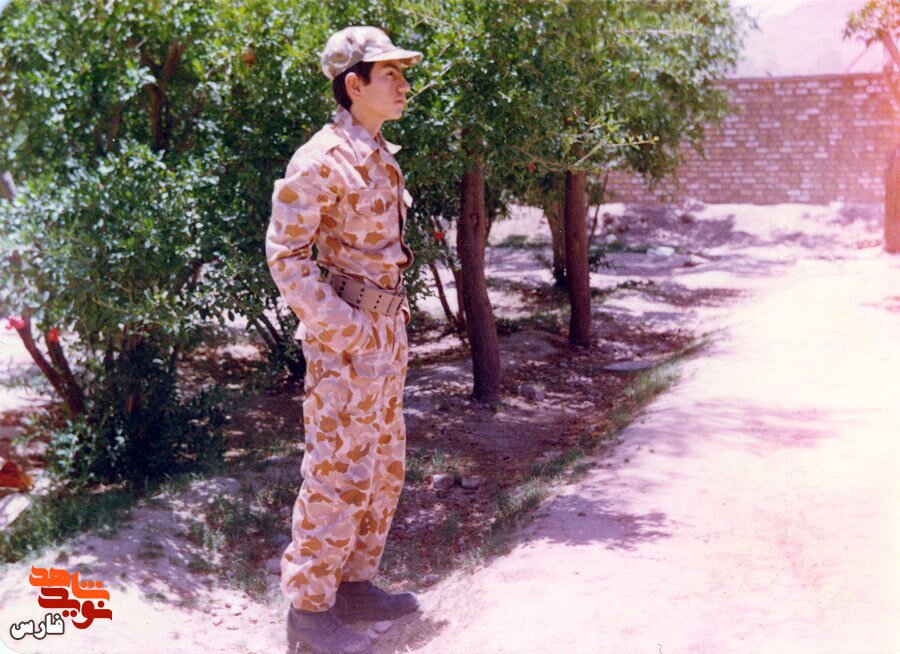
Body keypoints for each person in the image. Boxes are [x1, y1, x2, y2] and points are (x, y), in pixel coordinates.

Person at [264, 25, 424, 654]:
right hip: (348, 337)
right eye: (391, 75)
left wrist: (381, 327)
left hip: (385, 329)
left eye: (402, 74)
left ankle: (354, 585)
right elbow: (286, 257)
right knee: (337, 470)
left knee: (382, 465)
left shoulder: (377, 152)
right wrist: (345, 328)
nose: (404, 85)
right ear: (354, 85)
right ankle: (308, 614)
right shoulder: (320, 159)